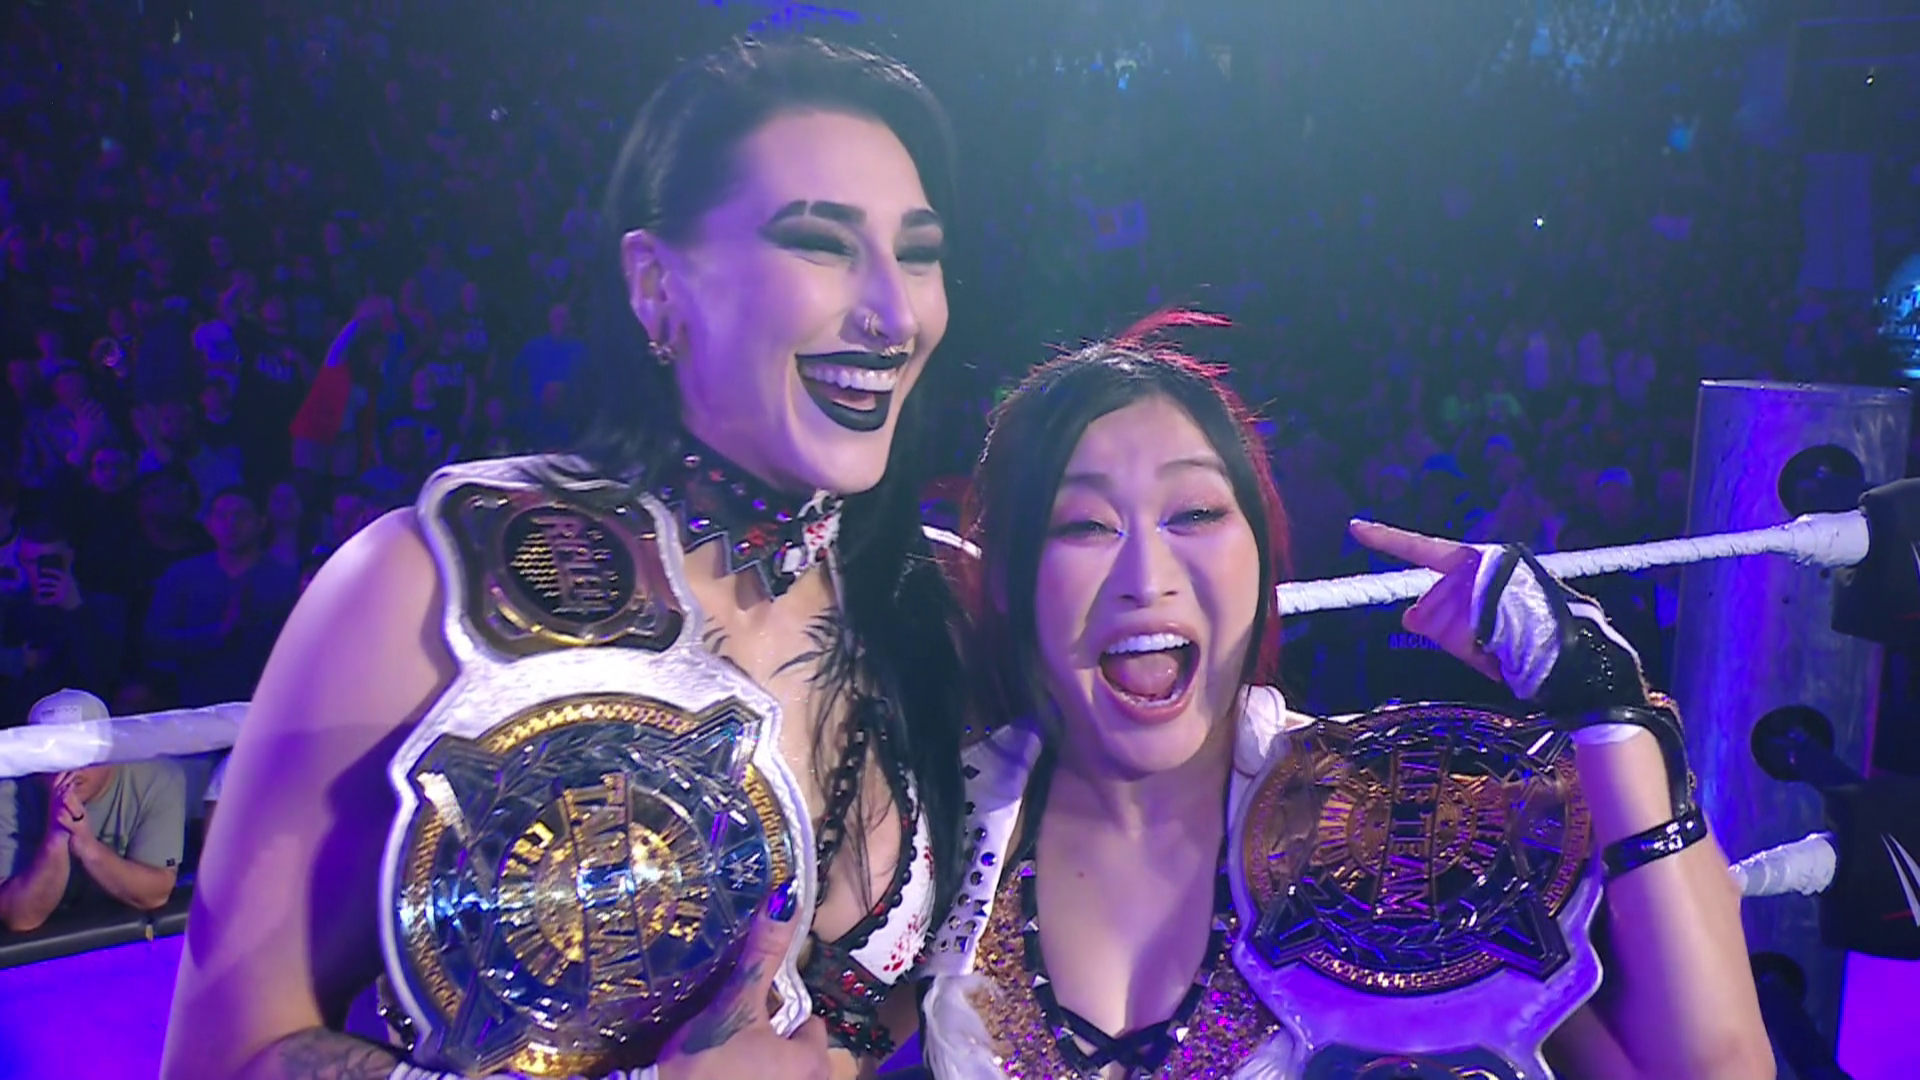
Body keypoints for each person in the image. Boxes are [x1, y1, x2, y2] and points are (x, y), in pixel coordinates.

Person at [160, 36, 968, 1080]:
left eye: (918, 253)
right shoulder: (421, 590)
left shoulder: (934, 604)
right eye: (821, 244)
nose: (894, 313)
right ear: (656, 285)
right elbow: (224, 1057)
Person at [920, 314, 1774, 1080]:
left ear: (1261, 552)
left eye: (1195, 515)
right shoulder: (935, 831)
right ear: (1006, 580)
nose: (1146, 577)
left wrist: (1614, 713)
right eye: (1084, 525)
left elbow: (1714, 1072)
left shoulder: (1396, 818)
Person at [0, 689, 187, 932]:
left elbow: (156, 894)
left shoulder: (156, 778)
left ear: (108, 750)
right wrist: (57, 837)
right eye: (54, 756)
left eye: (83, 752)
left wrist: (89, 848)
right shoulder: (9, 794)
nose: (71, 767)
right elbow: (20, 918)